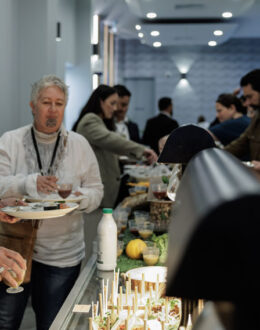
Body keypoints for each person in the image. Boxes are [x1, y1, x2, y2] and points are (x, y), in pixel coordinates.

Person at [0, 75, 103, 330]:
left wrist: (79, 200)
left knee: (54, 324)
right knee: (5, 321)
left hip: (61, 253)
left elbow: (96, 190)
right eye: (46, 102)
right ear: (33, 106)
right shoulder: (10, 141)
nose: (53, 110)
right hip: (14, 248)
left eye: (59, 103)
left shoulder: (79, 144)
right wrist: (27, 184)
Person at [73, 84, 157, 208]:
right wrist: (143, 150)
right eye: (112, 103)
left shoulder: (100, 121)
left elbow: (112, 151)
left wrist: (143, 158)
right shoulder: (90, 120)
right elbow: (111, 140)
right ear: (100, 101)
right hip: (95, 191)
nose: (115, 108)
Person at [224, 69, 260, 161]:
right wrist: (218, 156)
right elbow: (241, 143)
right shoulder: (257, 117)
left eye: (250, 97)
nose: (246, 103)